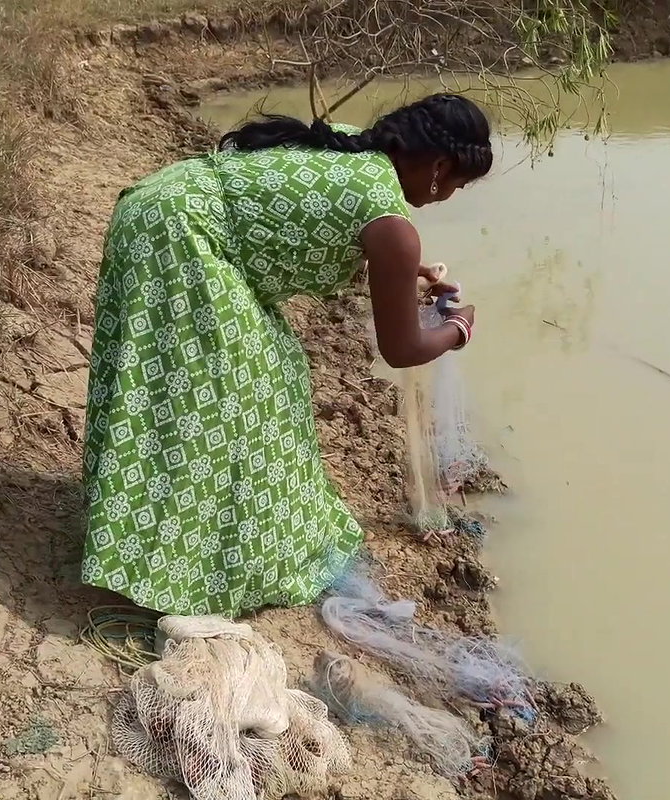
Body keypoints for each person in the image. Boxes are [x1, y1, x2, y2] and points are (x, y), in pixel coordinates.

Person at [80, 93, 493, 617]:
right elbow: (402, 348)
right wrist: (459, 327)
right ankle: (175, 564)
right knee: (226, 395)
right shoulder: (393, 228)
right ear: (439, 166)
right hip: (180, 240)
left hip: (158, 207)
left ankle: (152, 534)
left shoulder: (352, 147)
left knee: (239, 381)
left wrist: (406, 272)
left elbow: (301, 221)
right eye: (455, 184)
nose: (448, 196)